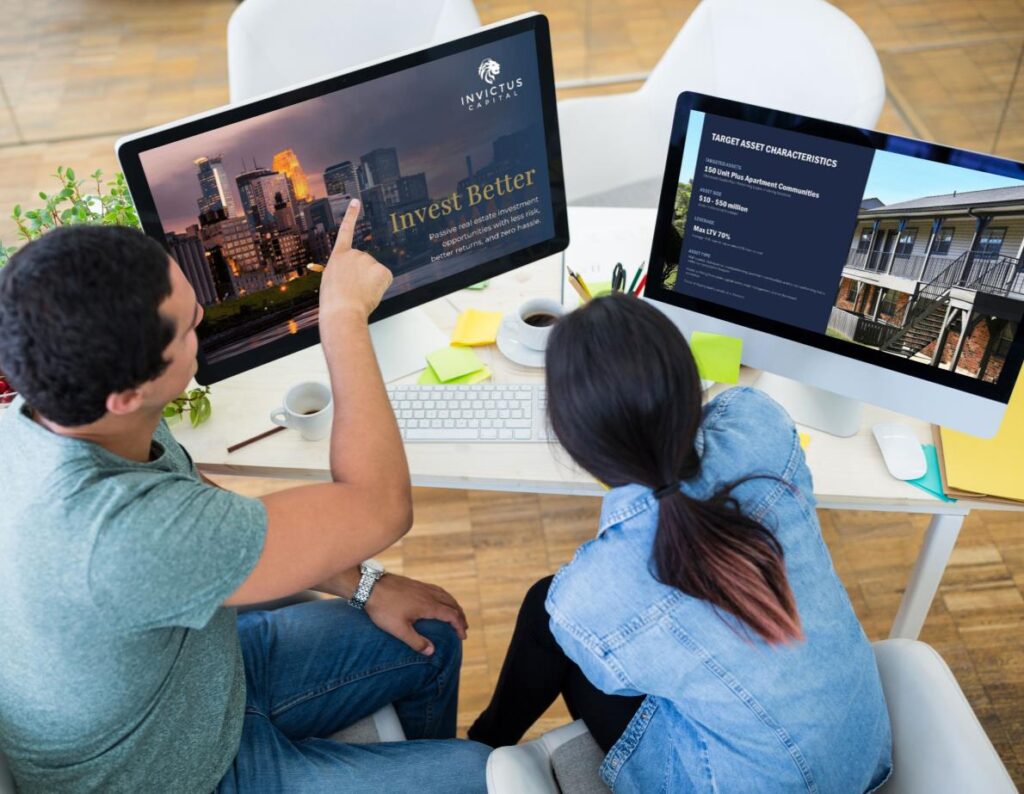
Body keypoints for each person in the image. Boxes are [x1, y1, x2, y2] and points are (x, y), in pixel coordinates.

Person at [0, 202, 490, 793]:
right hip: (167, 775)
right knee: (479, 776)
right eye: (188, 328)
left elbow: (194, 500)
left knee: (431, 636)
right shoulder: (119, 535)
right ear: (127, 395)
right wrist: (339, 314)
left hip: (200, 680)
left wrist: (368, 584)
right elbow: (383, 507)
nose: (204, 317)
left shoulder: (63, 408)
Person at [469, 293, 892, 793]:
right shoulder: (762, 427)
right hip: (864, 751)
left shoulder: (587, 599)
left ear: (571, 440)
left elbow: (615, 680)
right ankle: (482, 744)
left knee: (547, 612)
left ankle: (479, 752)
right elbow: (724, 417)